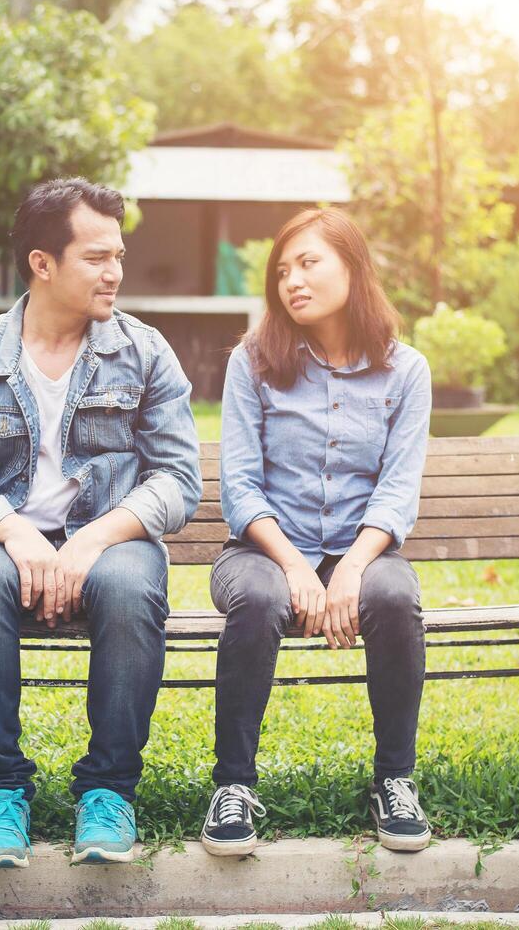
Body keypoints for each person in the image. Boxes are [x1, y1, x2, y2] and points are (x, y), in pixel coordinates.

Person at [0, 178, 202, 868]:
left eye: (119, 255)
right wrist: (13, 532)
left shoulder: (145, 353)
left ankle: (108, 791)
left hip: (114, 537)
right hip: (7, 542)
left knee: (129, 589)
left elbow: (178, 480)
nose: (115, 272)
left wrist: (94, 539)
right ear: (42, 263)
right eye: (96, 257)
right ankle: (0, 789)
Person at [200, 207, 432, 857]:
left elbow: (396, 489)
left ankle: (394, 781)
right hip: (261, 549)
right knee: (261, 597)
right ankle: (232, 787)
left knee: (390, 597)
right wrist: (297, 567)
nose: (291, 282)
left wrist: (351, 569)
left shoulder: (405, 371)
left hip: (363, 549)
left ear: (352, 269)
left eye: (308, 263)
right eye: (281, 271)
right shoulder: (251, 362)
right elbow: (239, 486)